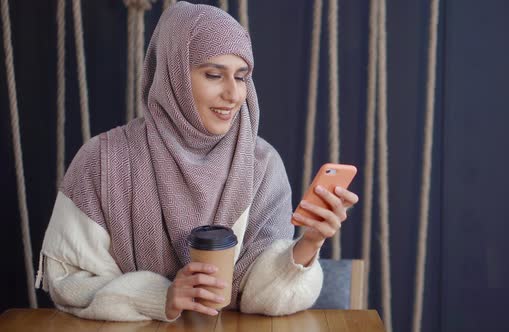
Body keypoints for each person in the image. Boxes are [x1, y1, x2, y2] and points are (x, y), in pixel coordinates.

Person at [35, 2, 359, 322]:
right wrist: (160, 298)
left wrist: (309, 244)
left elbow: (258, 293)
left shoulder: (261, 165)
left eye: (242, 77)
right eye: (215, 75)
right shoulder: (102, 161)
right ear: (172, 73)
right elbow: (69, 282)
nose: (233, 94)